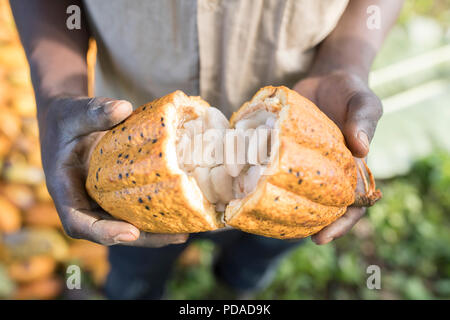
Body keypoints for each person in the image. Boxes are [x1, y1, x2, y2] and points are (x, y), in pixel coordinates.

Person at [10, 0, 403, 299]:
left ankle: (233, 290)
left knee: (256, 260)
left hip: (310, 125)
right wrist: (57, 92)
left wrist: (343, 62)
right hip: (127, 139)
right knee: (134, 267)